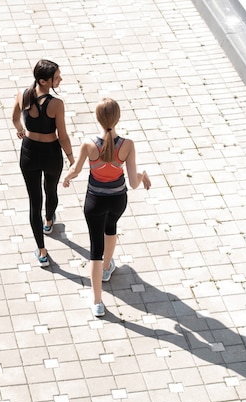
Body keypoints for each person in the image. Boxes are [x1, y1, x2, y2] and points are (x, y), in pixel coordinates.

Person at [63, 98, 151, 317]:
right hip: (118, 200)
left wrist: (67, 177)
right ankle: (106, 268)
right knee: (111, 227)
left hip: (94, 201)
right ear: (118, 118)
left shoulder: (89, 145)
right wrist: (143, 176)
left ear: (98, 118)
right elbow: (132, 182)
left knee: (95, 250)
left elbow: (76, 170)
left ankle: (97, 302)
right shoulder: (127, 145)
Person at [12, 59, 75, 267]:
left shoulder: (22, 95)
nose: (60, 79)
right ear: (43, 80)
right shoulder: (56, 104)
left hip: (29, 153)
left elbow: (14, 118)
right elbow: (63, 135)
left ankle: (41, 251)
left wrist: (20, 130)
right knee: (51, 189)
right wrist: (72, 159)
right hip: (51, 154)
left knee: (34, 201)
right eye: (56, 77)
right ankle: (49, 222)